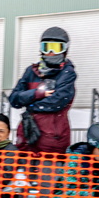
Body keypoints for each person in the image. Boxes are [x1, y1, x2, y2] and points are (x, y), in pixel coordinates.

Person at [9, 27, 76, 155]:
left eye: (56, 48)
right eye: (46, 47)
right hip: (28, 135)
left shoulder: (67, 73)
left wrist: (29, 103)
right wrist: (36, 94)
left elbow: (57, 102)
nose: (50, 52)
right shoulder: (31, 71)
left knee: (48, 174)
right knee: (24, 173)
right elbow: (14, 99)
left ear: (65, 49)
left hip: (53, 139)